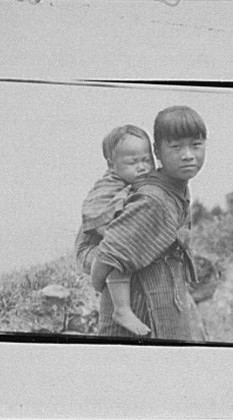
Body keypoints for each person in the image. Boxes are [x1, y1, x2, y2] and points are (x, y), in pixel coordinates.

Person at [89, 105, 207, 340]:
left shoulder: (177, 186)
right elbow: (110, 252)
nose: (188, 155)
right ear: (157, 152)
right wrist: (98, 281)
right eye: (176, 146)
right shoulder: (154, 198)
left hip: (163, 297)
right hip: (139, 313)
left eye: (196, 145)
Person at [75, 125, 155, 335]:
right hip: (90, 250)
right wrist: (121, 241)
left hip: (107, 246)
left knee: (122, 249)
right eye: (132, 162)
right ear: (112, 165)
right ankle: (122, 310)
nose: (142, 167)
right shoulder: (106, 187)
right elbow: (93, 217)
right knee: (120, 252)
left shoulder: (136, 184)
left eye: (146, 160)